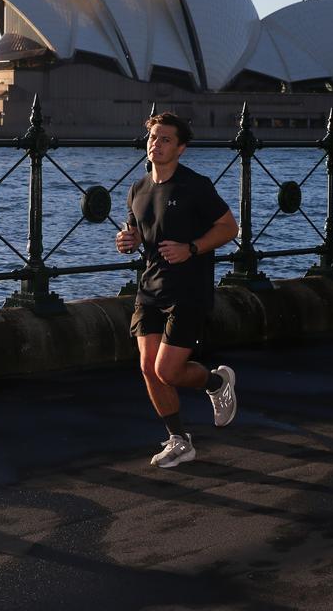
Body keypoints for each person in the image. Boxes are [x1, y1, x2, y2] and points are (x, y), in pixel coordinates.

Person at [115, 112, 240, 469]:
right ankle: (178, 440)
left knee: (168, 370)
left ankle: (215, 381)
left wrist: (193, 248)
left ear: (181, 149)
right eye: (154, 137)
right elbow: (139, 234)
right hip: (151, 287)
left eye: (166, 139)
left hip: (189, 289)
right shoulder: (138, 188)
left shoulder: (195, 186)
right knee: (147, 368)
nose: (156, 144)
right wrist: (127, 240)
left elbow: (229, 228)